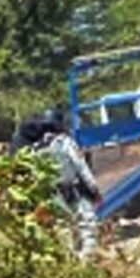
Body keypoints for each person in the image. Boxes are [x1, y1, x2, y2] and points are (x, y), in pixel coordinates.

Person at [33, 109, 102, 261]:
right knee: (88, 223)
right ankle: (87, 259)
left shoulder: (36, 148)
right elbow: (81, 167)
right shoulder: (65, 142)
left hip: (52, 195)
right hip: (72, 190)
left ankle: (69, 262)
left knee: (63, 230)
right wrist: (94, 189)